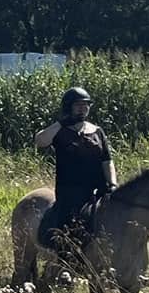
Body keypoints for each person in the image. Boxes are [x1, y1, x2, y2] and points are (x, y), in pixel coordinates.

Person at [33, 85, 116, 255]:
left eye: (85, 105)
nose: (83, 109)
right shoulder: (61, 131)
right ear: (68, 107)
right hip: (70, 190)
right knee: (68, 223)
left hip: (98, 189)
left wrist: (112, 183)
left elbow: (107, 161)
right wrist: (61, 123)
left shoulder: (96, 131)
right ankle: (65, 261)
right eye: (78, 105)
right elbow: (40, 141)